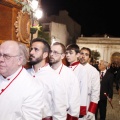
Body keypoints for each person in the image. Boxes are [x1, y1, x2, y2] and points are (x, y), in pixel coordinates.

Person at [0, 40, 44, 120]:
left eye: (7, 56)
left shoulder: (33, 88)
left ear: (19, 60)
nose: (1, 59)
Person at [27, 38, 67, 120]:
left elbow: (60, 112)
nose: (31, 52)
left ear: (45, 54)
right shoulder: (25, 74)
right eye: (31, 49)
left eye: (36, 50)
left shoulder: (55, 78)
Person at [49, 42, 80, 120]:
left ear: (62, 56)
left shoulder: (69, 74)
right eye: (50, 51)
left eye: (55, 52)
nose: (51, 54)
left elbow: (74, 101)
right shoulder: (44, 72)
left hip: (61, 116)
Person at [65, 44, 89, 120]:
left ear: (78, 55)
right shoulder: (66, 68)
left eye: (70, 53)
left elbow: (84, 90)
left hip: (75, 106)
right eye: (66, 53)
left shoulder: (82, 69)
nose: (68, 55)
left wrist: (81, 110)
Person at [79, 47, 100, 120]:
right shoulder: (73, 69)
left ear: (89, 58)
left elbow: (96, 92)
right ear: (78, 55)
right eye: (81, 53)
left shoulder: (94, 71)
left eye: (86, 54)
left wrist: (92, 110)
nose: (83, 56)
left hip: (87, 102)